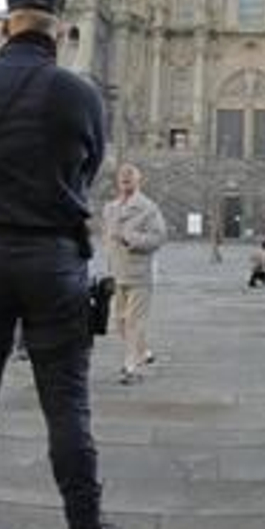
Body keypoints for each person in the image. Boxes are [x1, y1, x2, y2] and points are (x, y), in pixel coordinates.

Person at [0, 0, 121, 529]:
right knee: (67, 403)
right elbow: (88, 171)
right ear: (61, 33)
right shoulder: (80, 94)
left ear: (4, 29)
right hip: (53, 259)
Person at [102, 163, 168, 385]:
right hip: (117, 272)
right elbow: (108, 240)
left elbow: (159, 237)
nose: (126, 179)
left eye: (130, 177)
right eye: (122, 177)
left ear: (138, 181)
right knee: (118, 321)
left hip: (140, 273)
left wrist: (132, 240)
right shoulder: (110, 208)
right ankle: (144, 352)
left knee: (133, 321)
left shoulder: (148, 208)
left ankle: (130, 366)